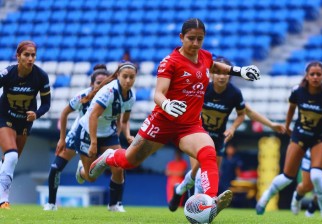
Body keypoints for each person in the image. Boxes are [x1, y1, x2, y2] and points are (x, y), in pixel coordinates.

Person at [88, 18, 260, 220]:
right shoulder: (170, 62)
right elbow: (158, 94)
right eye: (191, 39)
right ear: (181, 37)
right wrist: (167, 104)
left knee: (208, 152)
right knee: (128, 161)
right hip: (162, 122)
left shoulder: (204, 57)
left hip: (189, 126)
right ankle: (109, 156)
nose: (196, 43)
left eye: (200, 39)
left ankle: (211, 202)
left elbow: (214, 65)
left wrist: (239, 71)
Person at [168, 56, 285, 211]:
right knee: (201, 170)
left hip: (218, 138)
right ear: (211, 74)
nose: (222, 76)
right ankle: (197, 209)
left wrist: (234, 128)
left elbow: (245, 113)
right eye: (218, 72)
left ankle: (180, 190)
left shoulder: (234, 94)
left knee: (208, 174)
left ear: (230, 75)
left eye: (225, 73)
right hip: (199, 134)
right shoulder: (202, 89)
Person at [256, 61, 322, 217]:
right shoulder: (298, 92)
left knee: (317, 176)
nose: (315, 77)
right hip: (300, 135)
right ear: (307, 75)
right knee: (287, 177)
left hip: (319, 138)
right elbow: (291, 109)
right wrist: (287, 125)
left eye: (319, 74)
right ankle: (265, 198)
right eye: (312, 74)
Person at [43, 64, 110, 211]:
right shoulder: (83, 96)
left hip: (99, 138)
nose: (102, 86)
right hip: (77, 135)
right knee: (55, 167)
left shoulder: (111, 97)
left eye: (105, 83)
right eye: (99, 83)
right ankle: (51, 204)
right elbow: (64, 113)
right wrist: (61, 139)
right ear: (92, 84)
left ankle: (82, 171)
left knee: (91, 177)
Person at [74, 62, 137, 212]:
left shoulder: (131, 96)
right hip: (88, 133)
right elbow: (93, 116)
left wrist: (128, 135)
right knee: (91, 177)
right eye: (125, 77)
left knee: (119, 166)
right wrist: (94, 143)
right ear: (118, 76)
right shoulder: (109, 91)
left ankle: (114, 204)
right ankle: (81, 170)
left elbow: (125, 120)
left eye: (131, 77)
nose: (128, 80)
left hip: (108, 133)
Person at [0, 40, 51, 209]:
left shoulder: (41, 76)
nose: (30, 58)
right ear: (18, 56)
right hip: (5, 116)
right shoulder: (8, 73)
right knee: (12, 155)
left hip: (24, 122)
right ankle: (3, 201)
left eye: (33, 55)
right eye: (26, 55)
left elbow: (46, 104)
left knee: (9, 161)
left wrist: (36, 114)